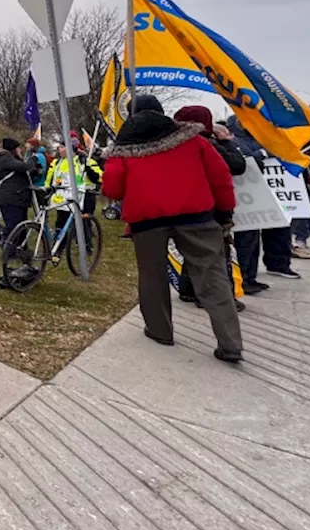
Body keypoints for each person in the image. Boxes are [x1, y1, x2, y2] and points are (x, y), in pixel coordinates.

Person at [103, 95, 243, 362]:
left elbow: (113, 188)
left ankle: (159, 330)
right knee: (212, 277)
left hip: (146, 219)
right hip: (197, 215)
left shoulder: (123, 147)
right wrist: (225, 212)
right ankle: (230, 342)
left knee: (152, 276)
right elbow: (220, 176)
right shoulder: (194, 139)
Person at [173, 106, 246, 310]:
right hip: (210, 206)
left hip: (184, 204)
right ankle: (216, 296)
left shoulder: (173, 144)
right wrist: (227, 142)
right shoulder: (207, 145)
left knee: (193, 249)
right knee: (217, 254)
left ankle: (188, 288)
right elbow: (237, 165)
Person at [226, 115, 299, 281]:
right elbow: (242, 161)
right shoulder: (233, 140)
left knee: (280, 228)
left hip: (275, 190)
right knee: (248, 236)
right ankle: (246, 274)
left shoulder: (262, 138)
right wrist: (261, 154)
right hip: (249, 195)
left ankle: (279, 264)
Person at [0, 138, 36, 236]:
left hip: (18, 197)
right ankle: (10, 249)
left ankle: (21, 248)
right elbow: (24, 166)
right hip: (11, 198)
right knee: (13, 227)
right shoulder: (5, 159)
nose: (20, 150)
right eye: (18, 148)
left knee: (21, 226)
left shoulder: (9, 159)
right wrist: (33, 159)